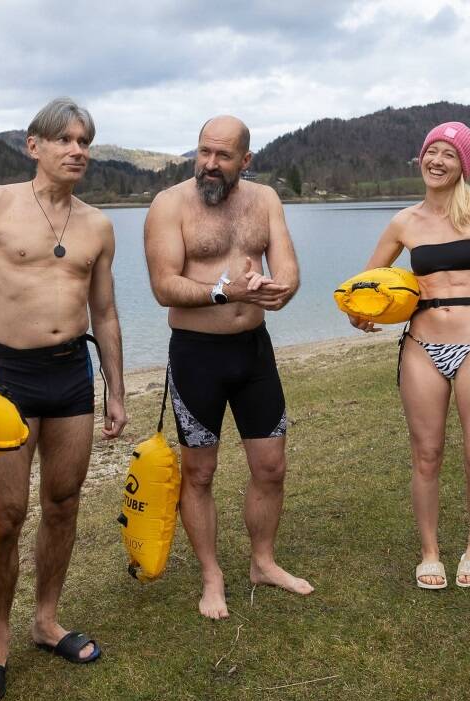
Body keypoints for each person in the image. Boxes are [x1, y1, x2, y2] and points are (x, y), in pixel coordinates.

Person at [0, 97, 127, 701]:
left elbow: (105, 312)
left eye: (85, 141)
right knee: (5, 514)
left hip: (70, 373)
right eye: (64, 139)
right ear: (34, 145)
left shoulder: (97, 225)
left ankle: (46, 621)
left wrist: (116, 388)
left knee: (63, 502)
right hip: (7, 373)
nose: (77, 150)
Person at [143, 115, 311, 621]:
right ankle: (212, 575)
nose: (210, 164)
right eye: (204, 152)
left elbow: (287, 267)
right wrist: (225, 290)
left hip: (253, 352)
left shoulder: (265, 200)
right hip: (196, 355)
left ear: (245, 159)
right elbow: (163, 286)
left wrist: (280, 290)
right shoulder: (169, 205)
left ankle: (263, 561)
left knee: (271, 467)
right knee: (200, 471)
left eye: (222, 155)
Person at [351, 121, 470, 591]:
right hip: (421, 346)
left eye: (449, 154)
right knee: (426, 455)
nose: (437, 161)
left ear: (464, 165)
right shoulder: (404, 222)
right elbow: (366, 281)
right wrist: (361, 312)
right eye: (432, 151)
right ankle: (430, 552)